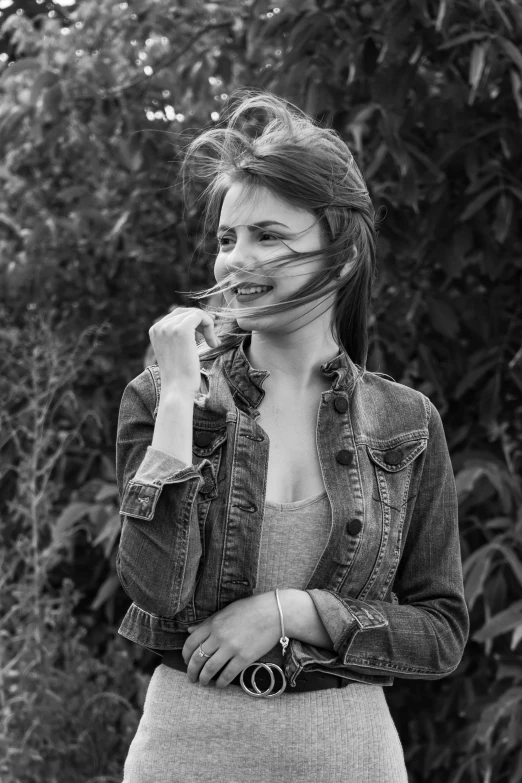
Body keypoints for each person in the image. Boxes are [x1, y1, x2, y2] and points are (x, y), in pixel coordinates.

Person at [116, 91, 469, 783]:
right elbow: (155, 588)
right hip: (185, 757)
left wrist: (295, 610)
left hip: (349, 756)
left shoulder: (406, 421)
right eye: (226, 239)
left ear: (339, 259)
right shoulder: (162, 398)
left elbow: (441, 633)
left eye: (267, 235)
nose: (233, 261)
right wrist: (181, 404)